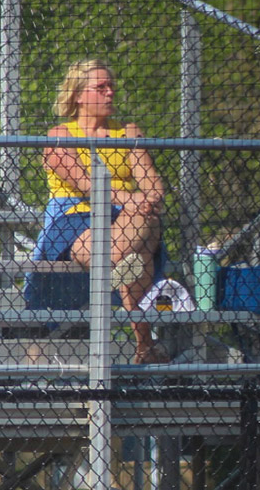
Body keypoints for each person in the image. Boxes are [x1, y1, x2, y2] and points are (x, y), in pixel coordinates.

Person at [35, 58, 167, 363]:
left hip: (129, 219)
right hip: (75, 217)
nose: (110, 93)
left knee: (140, 226)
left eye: (111, 87)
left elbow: (152, 183)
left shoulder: (127, 132)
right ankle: (145, 345)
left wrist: (146, 199)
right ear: (79, 95)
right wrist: (132, 198)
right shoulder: (59, 136)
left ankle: (116, 265)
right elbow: (85, 183)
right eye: (101, 87)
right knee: (137, 253)